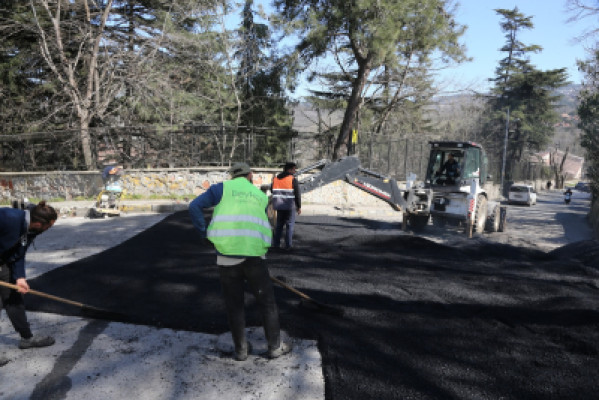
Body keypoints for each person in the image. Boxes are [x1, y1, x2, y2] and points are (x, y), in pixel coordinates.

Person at [188, 162, 291, 361]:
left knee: (234, 305)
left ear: (232, 176)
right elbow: (269, 222)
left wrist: (204, 234)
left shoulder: (221, 189)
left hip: (226, 257)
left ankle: (241, 351)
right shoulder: (260, 196)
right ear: (250, 175)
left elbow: (194, 206)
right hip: (255, 257)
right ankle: (274, 347)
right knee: (267, 303)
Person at [1, 201, 58, 366]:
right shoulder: (7, 217)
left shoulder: (31, 229)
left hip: (3, 262)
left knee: (14, 299)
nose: (48, 230)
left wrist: (20, 277)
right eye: (48, 227)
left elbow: (19, 253)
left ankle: (27, 338)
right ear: (40, 224)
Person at [270, 162, 301, 250]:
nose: (295, 171)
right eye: (294, 169)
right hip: (289, 206)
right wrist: (299, 207)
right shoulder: (292, 179)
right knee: (289, 225)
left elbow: (272, 190)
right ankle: (288, 245)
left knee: (279, 225)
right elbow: (297, 194)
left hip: (279, 206)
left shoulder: (276, 179)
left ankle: (276, 244)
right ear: (289, 169)